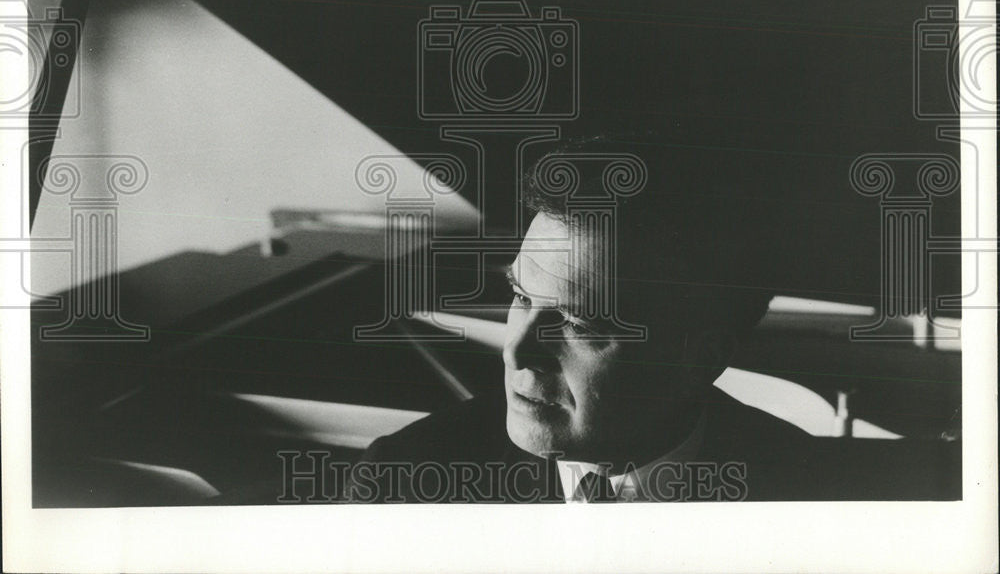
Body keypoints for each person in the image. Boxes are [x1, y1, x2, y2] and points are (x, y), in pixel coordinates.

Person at [346, 135, 959, 503]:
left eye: (580, 325)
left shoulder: (824, 508)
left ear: (698, 354)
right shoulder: (398, 481)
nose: (518, 352)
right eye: (521, 297)